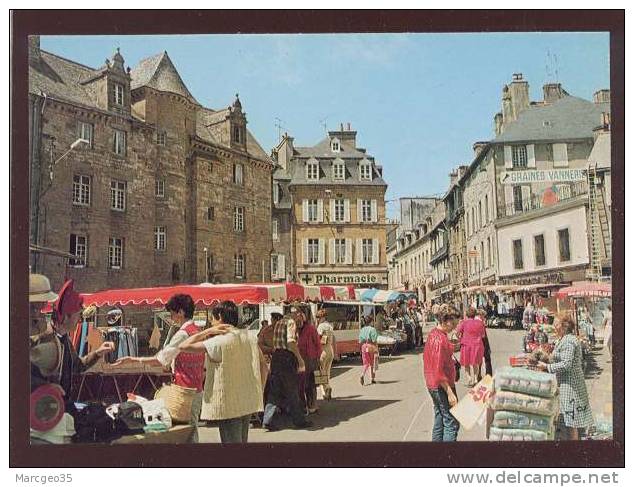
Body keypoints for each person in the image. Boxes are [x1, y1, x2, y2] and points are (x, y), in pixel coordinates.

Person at [114, 293, 214, 442]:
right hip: (197, 389)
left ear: (180, 312)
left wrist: (133, 359)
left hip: (183, 392)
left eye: (172, 314)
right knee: (191, 431)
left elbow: (160, 360)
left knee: (183, 434)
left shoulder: (182, 334)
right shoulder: (197, 331)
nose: (171, 318)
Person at [178, 301, 265, 443]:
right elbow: (264, 366)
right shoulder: (250, 337)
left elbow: (183, 346)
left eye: (212, 319)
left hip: (228, 404)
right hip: (247, 400)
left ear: (219, 317)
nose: (211, 323)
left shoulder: (219, 341)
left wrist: (207, 331)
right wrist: (259, 391)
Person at [536, 313, 594, 440]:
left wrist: (547, 367)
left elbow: (566, 364)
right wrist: (546, 357)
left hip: (571, 385)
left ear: (564, 326)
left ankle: (574, 448)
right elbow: (559, 358)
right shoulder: (563, 339)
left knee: (572, 421)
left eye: (556, 324)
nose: (554, 326)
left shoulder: (569, 341)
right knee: (569, 419)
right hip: (565, 383)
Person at [261, 310, 312, 431]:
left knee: (275, 391)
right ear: (297, 314)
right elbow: (290, 343)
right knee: (292, 390)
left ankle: (267, 420)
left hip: (277, 357)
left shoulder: (279, 322)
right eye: (301, 316)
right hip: (286, 358)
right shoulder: (290, 323)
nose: (301, 320)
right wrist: (300, 359)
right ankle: (299, 421)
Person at [423, 305, 460, 442]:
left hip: (432, 383)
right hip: (441, 385)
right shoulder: (440, 339)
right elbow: (438, 369)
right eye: (453, 323)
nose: (454, 327)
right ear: (445, 321)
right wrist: (450, 392)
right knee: (451, 422)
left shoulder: (434, 334)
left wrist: (453, 345)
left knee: (440, 417)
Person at [297, 311, 322, 414]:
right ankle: (304, 405)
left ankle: (312, 405)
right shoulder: (295, 330)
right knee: (302, 384)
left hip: (311, 359)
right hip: (300, 359)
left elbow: (317, 344)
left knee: (311, 384)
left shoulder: (311, 329)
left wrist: (317, 359)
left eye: (300, 318)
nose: (298, 320)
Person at [456, 307, 486, 387]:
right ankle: (476, 379)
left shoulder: (463, 323)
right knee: (475, 363)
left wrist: (460, 338)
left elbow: (457, 333)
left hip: (466, 345)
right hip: (477, 345)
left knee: (466, 363)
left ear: (467, 314)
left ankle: (469, 379)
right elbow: (483, 335)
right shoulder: (480, 323)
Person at [316, 309, 335, 401]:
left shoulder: (321, 326)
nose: (317, 319)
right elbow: (333, 339)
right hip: (330, 349)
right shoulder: (330, 326)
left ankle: (326, 389)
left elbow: (318, 338)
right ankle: (326, 390)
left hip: (322, 350)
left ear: (322, 317)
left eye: (318, 317)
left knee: (320, 372)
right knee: (327, 372)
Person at [358, 315, 379, 385]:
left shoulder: (362, 329)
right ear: (371, 322)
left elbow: (360, 341)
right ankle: (372, 378)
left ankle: (362, 374)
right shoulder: (372, 329)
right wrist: (376, 349)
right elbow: (374, 340)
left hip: (364, 346)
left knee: (366, 363)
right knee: (372, 362)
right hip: (371, 346)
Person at [476, 308, 493, 379]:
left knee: (478, 360)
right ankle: (488, 374)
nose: (484, 318)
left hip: (476, 343)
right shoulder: (480, 323)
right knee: (487, 358)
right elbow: (484, 336)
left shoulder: (474, 321)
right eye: (484, 316)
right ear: (481, 315)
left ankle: (478, 374)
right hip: (483, 343)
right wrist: (488, 346)